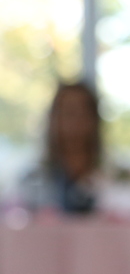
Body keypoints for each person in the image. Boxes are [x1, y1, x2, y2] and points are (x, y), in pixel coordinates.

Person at [18, 82, 105, 215]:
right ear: (53, 118)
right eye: (69, 112)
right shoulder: (31, 180)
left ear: (95, 119)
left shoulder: (118, 179)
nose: (76, 121)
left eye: (83, 112)